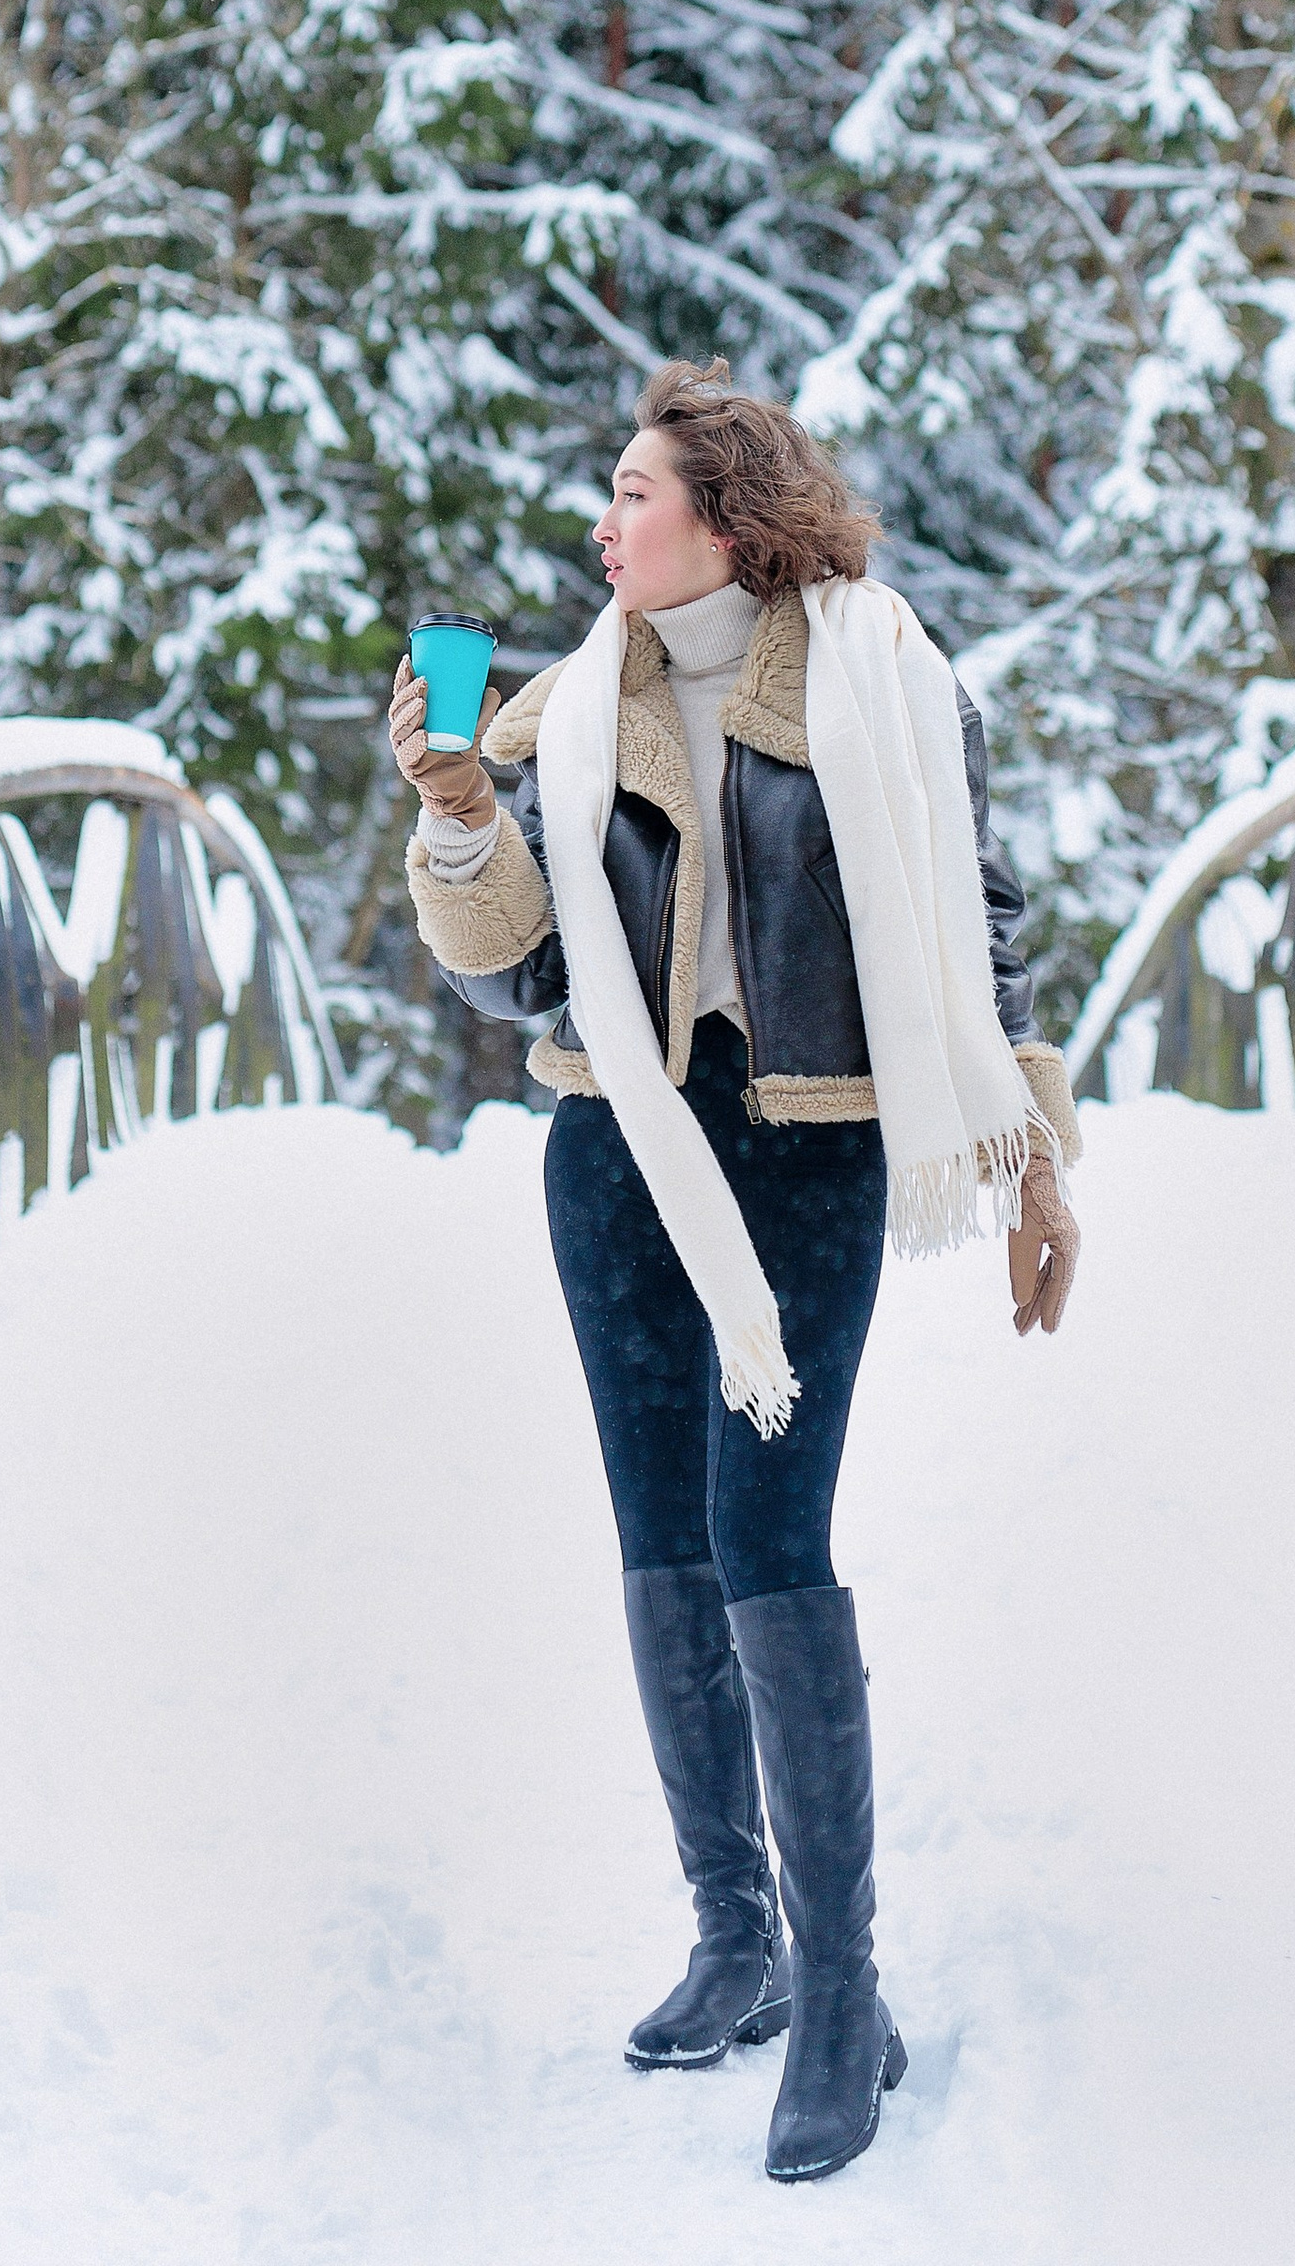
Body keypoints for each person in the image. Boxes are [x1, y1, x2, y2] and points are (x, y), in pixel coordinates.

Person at [389, 362, 1080, 2186]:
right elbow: (516, 980)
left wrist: (1038, 1163)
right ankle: (736, 1938)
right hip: (618, 1152)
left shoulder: (884, 678)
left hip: (811, 1142)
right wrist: (462, 810)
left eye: (630, 493)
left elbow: (980, 921)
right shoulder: (560, 714)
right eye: (606, 494)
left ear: (724, 511)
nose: (600, 525)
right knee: (661, 1536)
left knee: (770, 1533)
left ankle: (846, 1991)